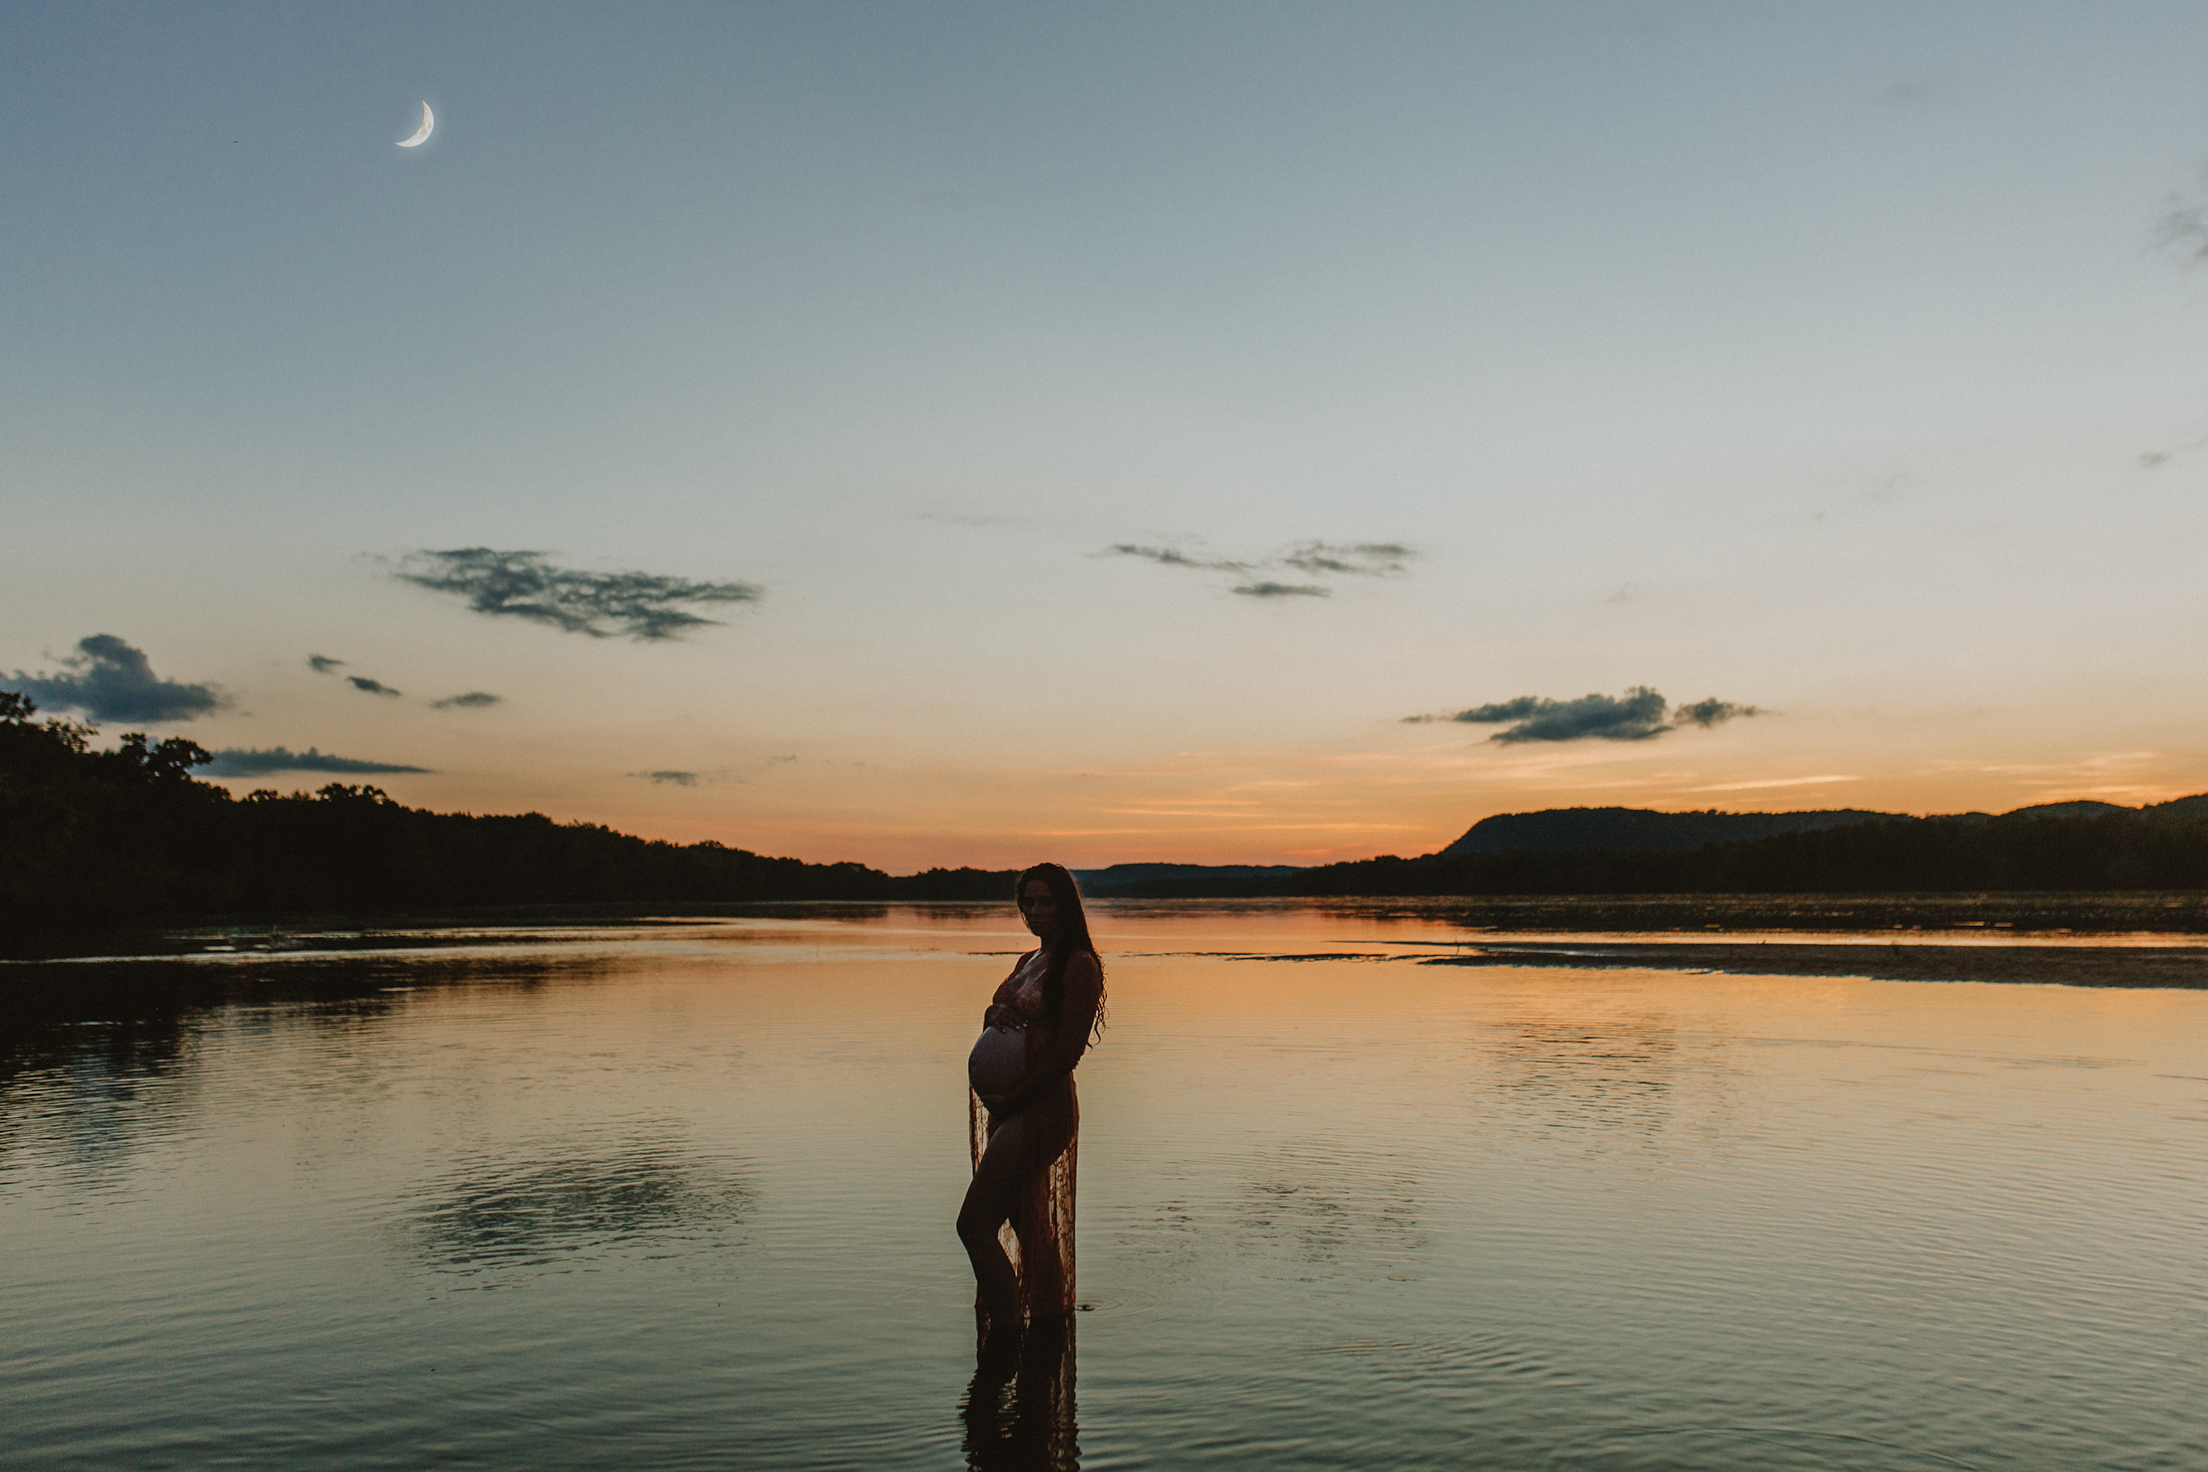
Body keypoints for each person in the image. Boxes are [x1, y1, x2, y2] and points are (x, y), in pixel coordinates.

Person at [957, 863, 1105, 1343]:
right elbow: (1004, 1016)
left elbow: (1067, 1053)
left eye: (1046, 902)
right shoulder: (1028, 962)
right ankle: (1047, 1326)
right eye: (1029, 903)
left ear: (1066, 906)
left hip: (1040, 1108)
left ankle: (1006, 1337)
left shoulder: (1078, 964)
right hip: (1013, 1108)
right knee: (1030, 1227)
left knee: (975, 1224)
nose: (1036, 912)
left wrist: (1012, 1101)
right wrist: (991, 1012)